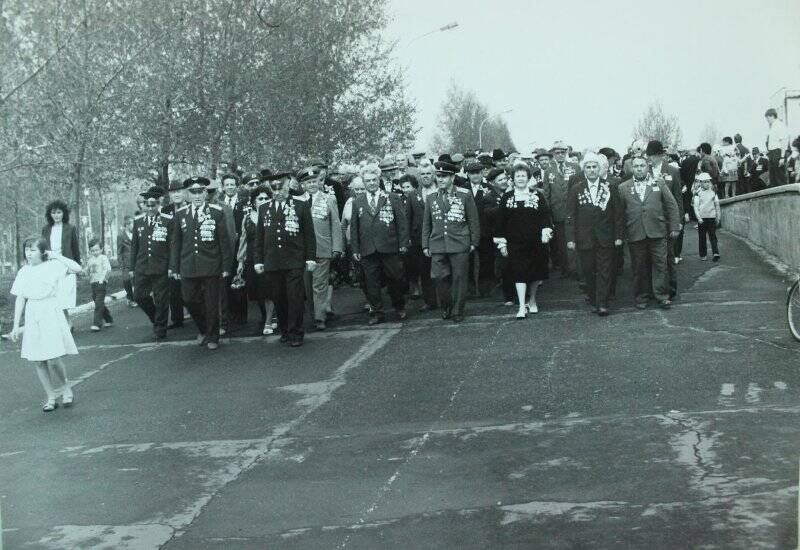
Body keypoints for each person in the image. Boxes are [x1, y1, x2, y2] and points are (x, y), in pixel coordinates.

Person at [9, 237, 82, 412]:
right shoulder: (24, 272)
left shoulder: (53, 266)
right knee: (38, 360)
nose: (28, 253)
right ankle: (50, 396)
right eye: (27, 249)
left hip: (50, 310)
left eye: (33, 249)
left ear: (43, 251)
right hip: (33, 313)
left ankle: (65, 388)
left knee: (54, 358)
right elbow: (20, 298)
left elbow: (77, 268)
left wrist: (55, 255)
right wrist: (15, 326)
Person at [169, 176, 233, 350]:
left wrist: (226, 266)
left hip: (211, 265)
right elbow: (176, 243)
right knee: (189, 299)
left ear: (205, 193)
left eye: (200, 191)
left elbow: (224, 242)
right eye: (193, 192)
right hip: (188, 266)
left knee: (212, 302)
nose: (197, 196)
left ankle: (213, 336)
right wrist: (174, 267)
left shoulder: (216, 212)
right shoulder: (180, 214)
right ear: (187, 194)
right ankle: (204, 328)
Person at [253, 172, 317, 347]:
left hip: (294, 260)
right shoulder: (264, 208)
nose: (277, 192)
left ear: (287, 187)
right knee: (279, 298)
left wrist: (310, 258)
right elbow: (260, 237)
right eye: (274, 189)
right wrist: (258, 260)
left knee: (295, 297)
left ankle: (296, 332)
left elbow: (309, 235)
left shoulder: (301, 205)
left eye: (280, 188)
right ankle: (285, 330)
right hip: (272, 261)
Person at [617, 157, 681, 309]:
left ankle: (662, 296)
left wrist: (674, 227)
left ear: (648, 167)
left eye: (642, 165)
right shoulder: (623, 187)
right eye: (636, 166)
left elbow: (671, 205)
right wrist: (621, 234)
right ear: (632, 168)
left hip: (657, 231)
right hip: (635, 232)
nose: (639, 169)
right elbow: (619, 214)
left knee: (661, 265)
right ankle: (642, 297)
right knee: (639, 267)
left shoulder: (658, 182)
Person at [565, 153, 624, 316]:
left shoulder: (610, 187)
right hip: (584, 238)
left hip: (606, 237)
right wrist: (570, 238)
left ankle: (603, 303)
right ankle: (593, 298)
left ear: (600, 169)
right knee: (588, 270)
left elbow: (618, 214)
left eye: (594, 167)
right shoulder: (577, 188)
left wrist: (619, 236)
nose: (591, 170)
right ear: (584, 170)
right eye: (588, 167)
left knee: (605, 270)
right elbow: (570, 215)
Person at [350, 163, 409, 325]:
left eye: (374, 180)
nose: (371, 183)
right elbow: (354, 227)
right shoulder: (358, 201)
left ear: (379, 179)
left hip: (390, 246)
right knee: (371, 282)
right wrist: (355, 248)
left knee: (395, 278)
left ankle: (399, 306)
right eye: (367, 180)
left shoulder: (392, 197)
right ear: (363, 181)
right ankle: (377, 312)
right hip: (367, 248)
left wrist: (403, 243)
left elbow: (402, 223)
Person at [421, 161, 480, 323]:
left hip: (460, 242)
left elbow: (473, 219)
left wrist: (474, 241)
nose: (440, 180)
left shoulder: (464, 194)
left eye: (444, 176)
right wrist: (425, 244)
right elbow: (427, 223)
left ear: (452, 177)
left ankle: (457, 310)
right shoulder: (431, 197)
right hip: (438, 243)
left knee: (459, 279)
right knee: (438, 277)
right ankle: (447, 304)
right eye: (438, 176)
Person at [493, 162, 553, 319]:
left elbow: (545, 216)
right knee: (519, 273)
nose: (520, 178)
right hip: (515, 243)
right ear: (512, 179)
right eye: (517, 176)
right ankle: (521, 306)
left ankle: (532, 300)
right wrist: (502, 243)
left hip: (535, 243)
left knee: (535, 274)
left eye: (523, 175)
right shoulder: (507, 197)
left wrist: (545, 232)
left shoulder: (537, 195)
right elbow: (500, 221)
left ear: (528, 178)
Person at [300, 167, 343, 331]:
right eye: (308, 182)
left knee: (319, 285)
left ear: (319, 182)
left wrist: (337, 247)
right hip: (302, 251)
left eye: (314, 181)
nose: (311, 185)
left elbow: (336, 224)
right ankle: (314, 314)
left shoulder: (328, 199)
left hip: (322, 248)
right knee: (307, 285)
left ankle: (320, 318)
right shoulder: (297, 200)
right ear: (303, 185)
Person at [130, 186, 173, 341]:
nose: (150, 208)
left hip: (161, 266)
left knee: (161, 299)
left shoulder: (167, 220)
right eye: (147, 205)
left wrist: (171, 266)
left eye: (153, 205)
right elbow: (134, 246)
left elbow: (171, 246)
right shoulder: (138, 221)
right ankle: (156, 319)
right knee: (139, 296)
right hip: (142, 266)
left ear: (158, 204)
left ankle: (160, 328)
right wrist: (131, 268)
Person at [646, 140, 684, 300]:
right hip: (651, 221)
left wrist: (678, 221)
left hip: (668, 221)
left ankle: (671, 289)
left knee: (668, 257)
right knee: (651, 259)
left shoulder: (673, 171)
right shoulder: (643, 170)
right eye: (649, 155)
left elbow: (678, 198)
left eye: (654, 155)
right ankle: (653, 290)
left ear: (661, 155)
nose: (650, 158)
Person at [236, 185, 275, 335]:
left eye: (266, 198)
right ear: (253, 201)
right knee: (258, 291)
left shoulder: (273, 214)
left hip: (270, 257)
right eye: (260, 199)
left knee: (269, 289)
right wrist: (240, 261)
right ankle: (267, 316)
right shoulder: (247, 218)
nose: (263, 201)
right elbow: (243, 240)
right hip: (252, 258)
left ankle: (268, 320)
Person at [42, 200, 81, 327]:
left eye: (59, 212)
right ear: (50, 214)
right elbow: (43, 247)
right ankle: (67, 323)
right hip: (50, 265)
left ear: (64, 213)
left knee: (64, 295)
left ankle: (66, 322)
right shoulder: (46, 229)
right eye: (54, 213)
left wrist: (78, 266)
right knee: (55, 295)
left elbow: (75, 248)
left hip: (66, 264)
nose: (56, 215)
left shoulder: (70, 228)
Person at [400, 173, 436, 310]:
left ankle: (445, 299)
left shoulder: (441, 190)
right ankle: (429, 301)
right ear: (419, 176)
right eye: (423, 174)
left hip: (440, 236)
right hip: (419, 239)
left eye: (428, 173)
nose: (426, 176)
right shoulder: (413, 195)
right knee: (425, 270)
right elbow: (407, 219)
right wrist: (407, 238)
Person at [542, 141, 576, 278]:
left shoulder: (575, 167)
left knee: (574, 240)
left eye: (563, 152)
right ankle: (565, 269)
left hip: (573, 212)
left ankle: (575, 269)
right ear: (553, 154)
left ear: (566, 153)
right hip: (557, 212)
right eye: (557, 153)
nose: (560, 155)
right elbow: (546, 193)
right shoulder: (549, 171)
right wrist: (548, 213)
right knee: (561, 242)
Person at [161, 180, 187, 328]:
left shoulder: (190, 207)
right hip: (171, 254)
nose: (176, 194)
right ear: (170, 194)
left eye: (179, 191)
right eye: (173, 192)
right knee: (173, 288)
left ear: (184, 192)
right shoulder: (165, 211)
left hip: (188, 252)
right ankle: (178, 319)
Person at [84, 238, 114, 331]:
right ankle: (108, 319)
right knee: (99, 302)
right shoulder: (90, 260)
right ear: (90, 251)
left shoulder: (103, 258)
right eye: (92, 250)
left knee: (98, 303)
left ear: (101, 249)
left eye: (97, 250)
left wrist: (104, 279)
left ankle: (97, 324)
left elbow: (108, 269)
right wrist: (83, 271)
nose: (95, 252)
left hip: (101, 283)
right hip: (93, 283)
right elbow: (87, 270)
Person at [692, 173, 721, 262]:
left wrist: (718, 216)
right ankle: (703, 254)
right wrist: (699, 218)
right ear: (700, 183)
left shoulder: (713, 192)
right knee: (702, 237)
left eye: (708, 181)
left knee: (713, 236)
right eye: (705, 182)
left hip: (711, 217)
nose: (707, 183)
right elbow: (696, 207)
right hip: (702, 218)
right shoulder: (697, 193)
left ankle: (716, 253)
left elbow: (717, 205)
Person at [765, 108, 789, 187]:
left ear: (772, 116)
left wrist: (782, 157)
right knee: (773, 177)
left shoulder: (780, 125)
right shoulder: (772, 127)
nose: (767, 120)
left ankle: (784, 195)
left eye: (767, 118)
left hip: (778, 152)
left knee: (780, 176)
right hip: (772, 153)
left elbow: (784, 141)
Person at [118, 215, 136, 307]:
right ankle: (130, 297)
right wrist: (121, 264)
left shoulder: (136, 234)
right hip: (126, 263)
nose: (134, 225)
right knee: (126, 281)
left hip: (137, 262)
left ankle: (136, 298)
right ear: (127, 224)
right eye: (132, 223)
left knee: (138, 281)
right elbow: (119, 251)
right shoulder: (121, 236)